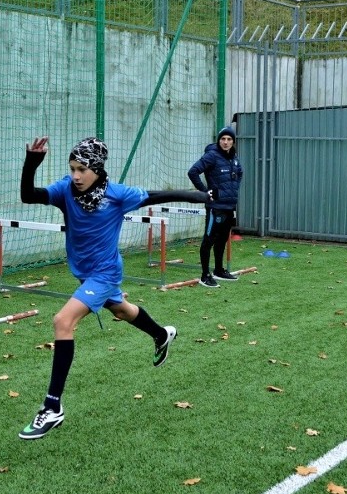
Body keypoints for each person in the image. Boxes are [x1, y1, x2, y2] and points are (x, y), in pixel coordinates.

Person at [18, 136, 211, 440]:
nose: (76, 176)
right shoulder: (64, 190)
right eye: (72, 168)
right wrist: (32, 162)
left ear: (97, 168)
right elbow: (28, 195)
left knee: (62, 321)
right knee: (122, 309)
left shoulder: (118, 194)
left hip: (105, 273)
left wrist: (198, 196)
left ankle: (52, 407)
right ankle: (161, 334)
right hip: (84, 273)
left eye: (82, 169)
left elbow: (156, 196)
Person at [187, 126, 244, 288]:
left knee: (222, 239)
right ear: (219, 141)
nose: (226, 142)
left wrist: (232, 191)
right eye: (223, 139)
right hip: (215, 207)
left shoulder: (234, 158)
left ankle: (219, 270)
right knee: (209, 240)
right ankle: (205, 275)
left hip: (229, 206)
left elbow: (239, 173)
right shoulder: (212, 156)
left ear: (233, 142)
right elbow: (193, 172)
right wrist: (206, 192)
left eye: (229, 139)